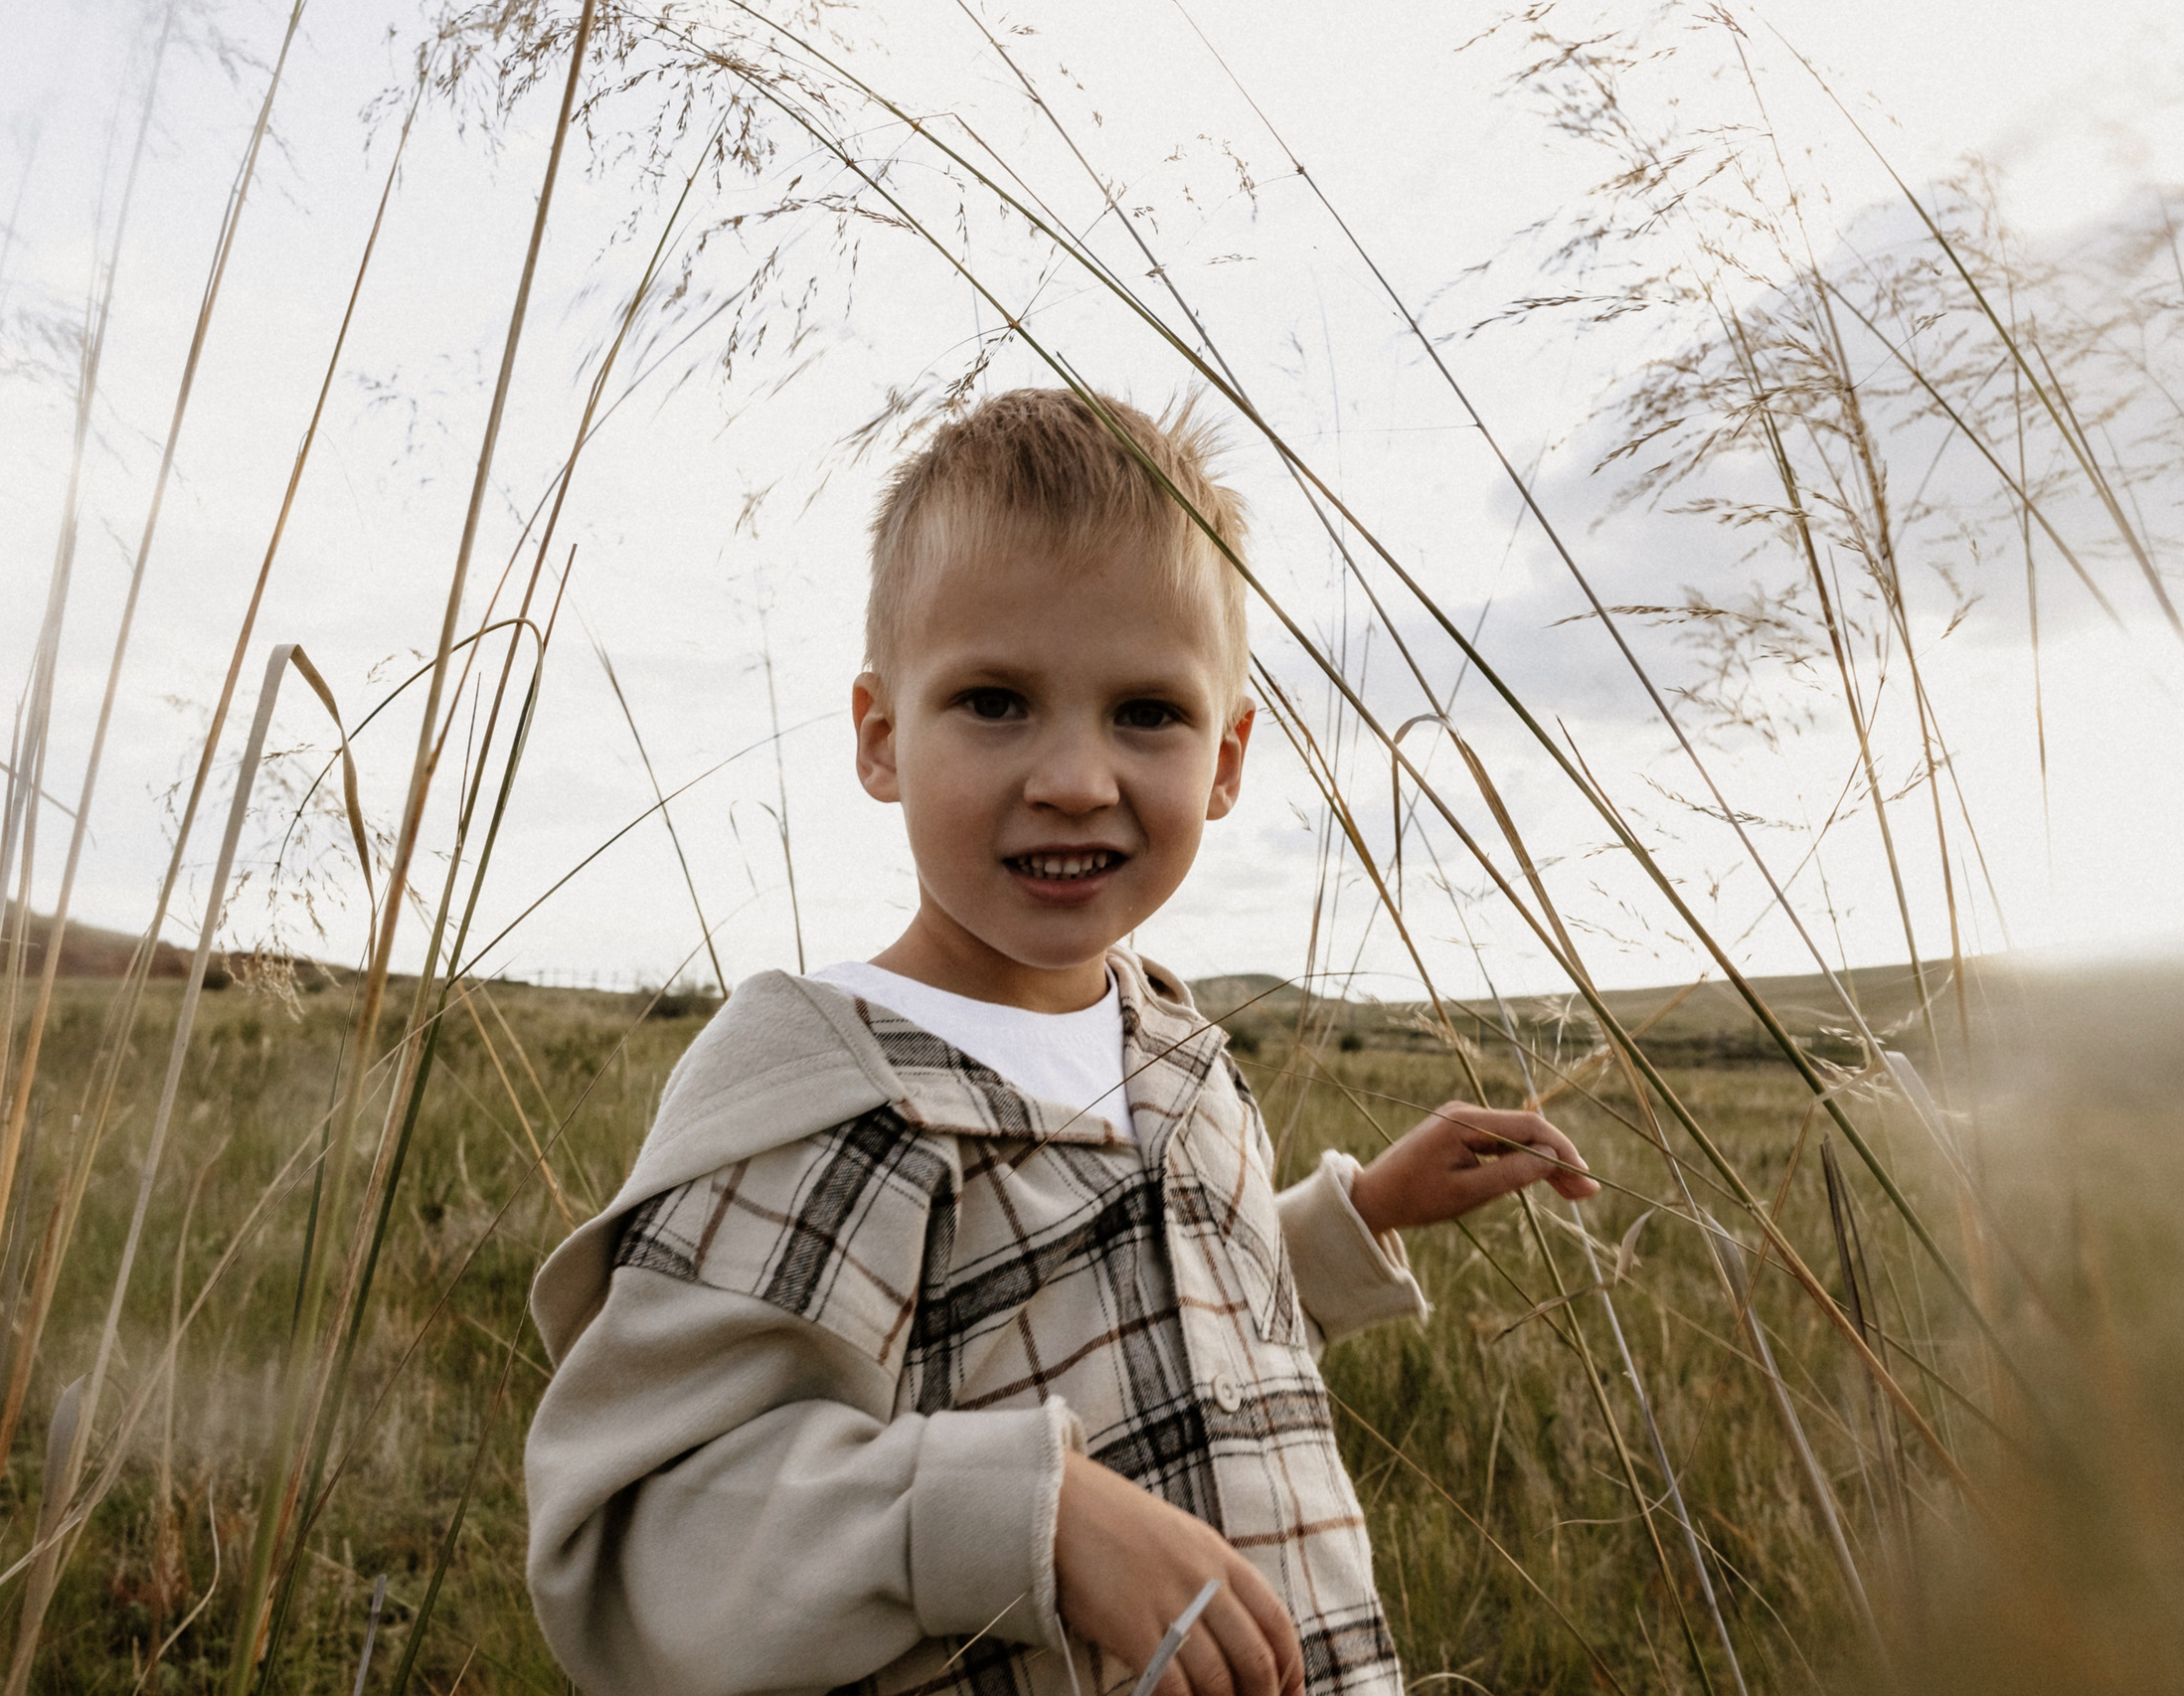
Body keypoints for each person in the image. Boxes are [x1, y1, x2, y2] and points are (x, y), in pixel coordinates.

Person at [524, 389, 1598, 1696]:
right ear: (881, 736)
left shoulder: (1181, 1051)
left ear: (1227, 757)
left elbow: (1163, 1330)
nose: (1077, 776)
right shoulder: (833, 1092)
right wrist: (1033, 1516)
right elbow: (656, 1546)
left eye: (1147, 712)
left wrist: (1351, 1216)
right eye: (994, 700)